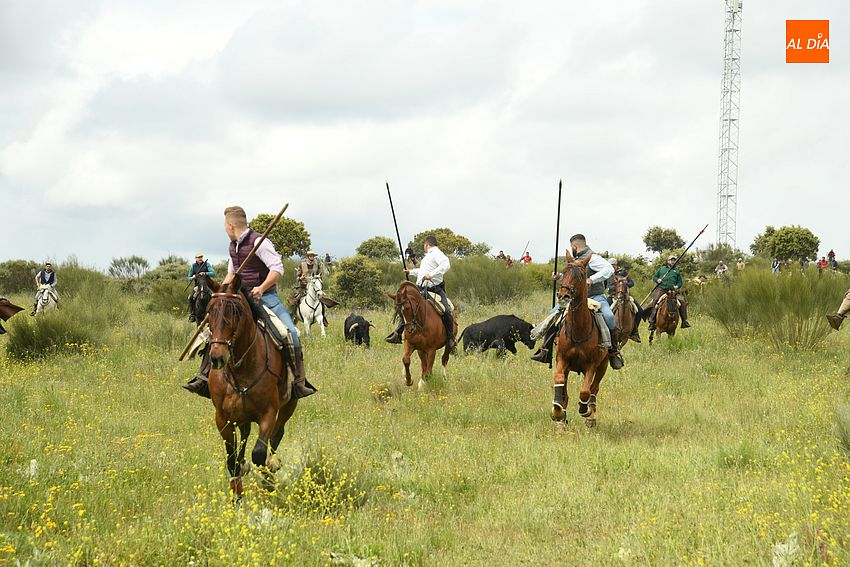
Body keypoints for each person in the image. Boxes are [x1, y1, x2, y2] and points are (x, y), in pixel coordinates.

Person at [183, 206, 316, 399]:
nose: (225, 230)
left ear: (230, 225)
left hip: (265, 297)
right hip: (237, 299)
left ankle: (298, 382)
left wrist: (261, 288)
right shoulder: (233, 246)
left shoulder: (259, 242)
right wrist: (223, 291)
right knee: (213, 332)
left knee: (290, 333)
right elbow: (231, 272)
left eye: (224, 226)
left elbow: (277, 269)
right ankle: (204, 378)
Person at [530, 234, 624, 369]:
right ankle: (546, 350)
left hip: (595, 297)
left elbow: (608, 269)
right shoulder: (574, 259)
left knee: (609, 317)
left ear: (574, 246)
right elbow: (572, 277)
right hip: (574, 299)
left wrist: (592, 279)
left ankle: (613, 352)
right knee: (553, 315)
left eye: (571, 247)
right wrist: (560, 276)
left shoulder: (593, 258)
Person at [385, 235, 456, 352]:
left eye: (424, 245)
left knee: (446, 311)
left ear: (427, 245)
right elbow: (423, 272)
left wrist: (431, 275)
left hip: (435, 289)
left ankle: (450, 338)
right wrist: (411, 271)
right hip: (421, 290)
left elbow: (446, 264)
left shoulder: (436, 253)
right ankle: (398, 332)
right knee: (407, 307)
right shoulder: (427, 257)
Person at [644, 255, 690, 331]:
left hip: (673, 291)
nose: (673, 261)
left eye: (674, 260)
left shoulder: (677, 271)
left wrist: (677, 286)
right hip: (661, 290)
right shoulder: (661, 269)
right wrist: (658, 280)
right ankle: (652, 322)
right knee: (655, 302)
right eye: (671, 260)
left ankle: (684, 321)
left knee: (683, 303)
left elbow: (680, 282)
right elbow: (654, 277)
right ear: (667, 261)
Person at [606, 258, 643, 342]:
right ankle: (605, 332)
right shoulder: (606, 273)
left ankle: (634, 332)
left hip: (625, 296)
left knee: (640, 311)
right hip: (612, 296)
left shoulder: (623, 272)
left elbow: (631, 283)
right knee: (603, 312)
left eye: (613, 265)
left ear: (616, 265)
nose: (612, 267)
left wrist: (624, 284)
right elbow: (604, 284)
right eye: (610, 266)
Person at [187, 253, 216, 322]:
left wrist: (205, 273)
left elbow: (213, 273)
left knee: (215, 296)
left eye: (201, 257)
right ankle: (193, 314)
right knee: (191, 297)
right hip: (197, 286)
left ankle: (215, 312)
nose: (200, 258)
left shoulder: (207, 264)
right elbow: (188, 277)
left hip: (207, 285)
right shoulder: (193, 266)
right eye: (198, 257)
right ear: (196, 258)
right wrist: (192, 278)